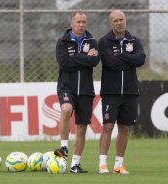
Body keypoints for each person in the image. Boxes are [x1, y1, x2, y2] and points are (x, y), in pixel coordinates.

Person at [98, 10, 146, 174]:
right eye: (116, 20)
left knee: (124, 129)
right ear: (111, 23)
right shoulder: (104, 42)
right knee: (108, 127)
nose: (119, 23)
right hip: (111, 92)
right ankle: (102, 163)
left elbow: (141, 60)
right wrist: (129, 59)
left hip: (130, 92)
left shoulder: (134, 40)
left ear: (125, 21)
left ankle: (118, 165)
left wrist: (122, 56)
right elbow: (111, 63)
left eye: (122, 19)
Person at [54, 11, 100, 173]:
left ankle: (75, 164)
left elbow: (94, 61)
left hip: (86, 90)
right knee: (66, 109)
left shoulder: (93, 41)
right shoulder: (62, 42)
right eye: (78, 22)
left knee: (81, 128)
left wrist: (79, 58)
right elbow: (65, 64)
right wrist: (85, 57)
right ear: (72, 23)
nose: (81, 25)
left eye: (83, 22)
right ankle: (64, 147)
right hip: (67, 87)